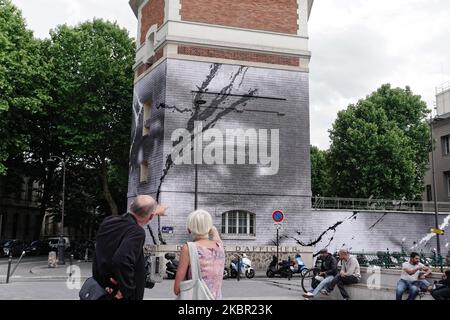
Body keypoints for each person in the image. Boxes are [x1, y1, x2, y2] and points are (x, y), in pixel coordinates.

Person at [92, 195, 167, 300]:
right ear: (150, 217)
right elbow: (121, 260)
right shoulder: (136, 232)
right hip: (118, 294)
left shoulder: (108, 221)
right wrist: (126, 290)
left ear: (131, 206)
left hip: (101, 287)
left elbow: (102, 252)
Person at [174, 209, 225, 300]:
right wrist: (211, 228)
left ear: (189, 229)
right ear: (209, 228)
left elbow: (177, 288)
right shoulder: (219, 246)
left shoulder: (188, 248)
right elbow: (216, 237)